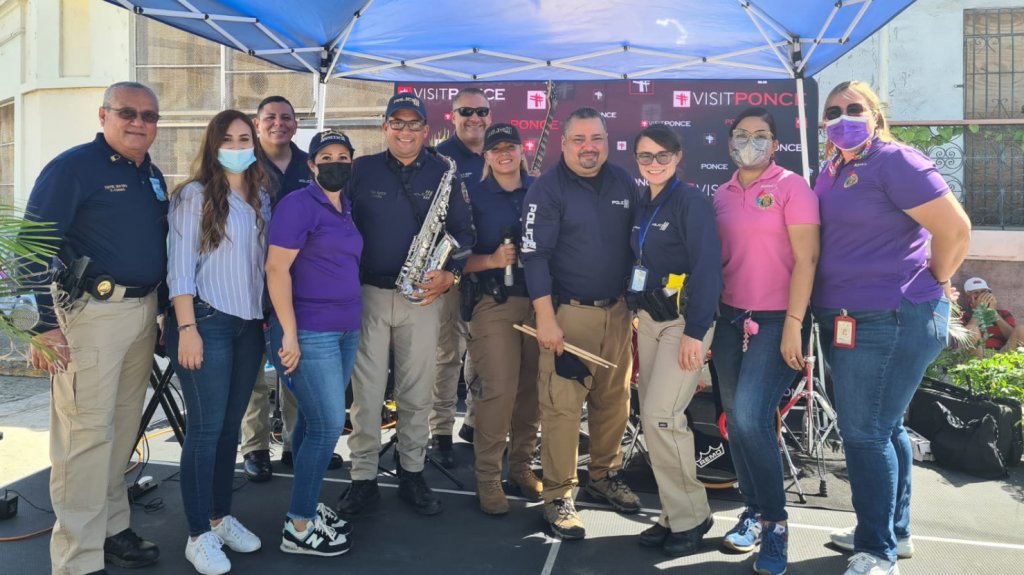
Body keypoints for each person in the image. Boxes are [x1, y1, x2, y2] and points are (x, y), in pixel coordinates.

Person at [813, 81, 971, 575]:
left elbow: (956, 230)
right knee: (886, 427)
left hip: (891, 317)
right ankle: (890, 534)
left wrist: (937, 280)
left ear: (877, 116)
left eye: (854, 109)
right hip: (850, 319)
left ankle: (877, 551)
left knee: (864, 435)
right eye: (833, 111)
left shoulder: (896, 161)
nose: (843, 117)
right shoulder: (835, 167)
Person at [25, 81, 167, 575]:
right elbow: (32, 248)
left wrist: (165, 309)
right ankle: (77, 559)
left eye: (150, 116)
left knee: (123, 429)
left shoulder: (150, 173)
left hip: (142, 312)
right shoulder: (71, 169)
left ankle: (110, 530)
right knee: (84, 438)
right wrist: (45, 326)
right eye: (128, 113)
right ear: (103, 114)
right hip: (90, 318)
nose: (140, 123)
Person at [338, 93, 475, 517]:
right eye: (396, 122)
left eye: (414, 124)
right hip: (368, 296)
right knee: (367, 393)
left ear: (426, 130)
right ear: (384, 127)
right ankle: (362, 477)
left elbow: (465, 235)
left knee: (417, 391)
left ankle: (412, 472)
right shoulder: (360, 170)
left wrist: (450, 274)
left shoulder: (444, 172)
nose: (405, 131)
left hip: (423, 298)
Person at [709, 108, 820, 574]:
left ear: (776, 144)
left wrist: (794, 322)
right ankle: (753, 512)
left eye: (760, 136)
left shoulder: (792, 187)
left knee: (754, 418)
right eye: (741, 135)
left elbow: (807, 258)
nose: (749, 142)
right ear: (729, 142)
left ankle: (776, 526)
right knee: (736, 421)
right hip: (732, 320)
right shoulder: (720, 194)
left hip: (779, 321)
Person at [521, 106, 639, 540]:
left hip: (618, 313)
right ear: (563, 143)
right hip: (568, 316)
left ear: (608, 141)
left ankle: (603, 475)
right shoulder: (547, 189)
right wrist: (546, 318)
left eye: (597, 139)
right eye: (580, 140)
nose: (589, 148)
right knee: (563, 409)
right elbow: (534, 256)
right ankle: (557, 496)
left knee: (614, 402)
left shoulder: (624, 181)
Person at [165, 109, 270, 575]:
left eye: (244, 137)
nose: (236, 144)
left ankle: (220, 516)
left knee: (230, 429)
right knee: (205, 431)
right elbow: (180, 268)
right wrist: (186, 328)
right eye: (226, 138)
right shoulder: (194, 195)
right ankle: (196, 534)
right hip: (206, 322)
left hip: (249, 326)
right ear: (213, 144)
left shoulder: (262, 195)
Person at [627, 125, 722, 557]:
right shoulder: (642, 201)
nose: (654, 163)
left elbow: (708, 271)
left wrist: (695, 334)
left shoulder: (691, 202)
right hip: (649, 321)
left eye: (662, 156)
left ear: (679, 156)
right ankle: (672, 512)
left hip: (684, 325)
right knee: (652, 420)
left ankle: (692, 516)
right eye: (645, 157)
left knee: (663, 418)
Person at [265, 130, 361, 556]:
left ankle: (305, 506)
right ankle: (299, 526)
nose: (336, 163)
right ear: (311, 164)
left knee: (311, 419)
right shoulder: (297, 205)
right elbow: (275, 270)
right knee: (326, 426)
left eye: (344, 156)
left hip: (345, 330)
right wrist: (288, 332)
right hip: (308, 331)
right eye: (327, 156)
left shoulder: (344, 206)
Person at [240, 95, 342, 482]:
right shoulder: (243, 164)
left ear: (296, 125)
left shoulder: (310, 165)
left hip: (302, 284)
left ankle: (297, 444)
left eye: (286, 117)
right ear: (257, 122)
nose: (278, 124)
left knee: (295, 367)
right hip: (250, 280)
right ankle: (255, 446)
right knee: (252, 369)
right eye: (270, 117)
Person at [462, 124, 542, 514]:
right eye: (496, 148)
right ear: (486, 156)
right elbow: (453, 259)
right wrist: (492, 260)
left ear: (522, 149)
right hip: (495, 302)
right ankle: (488, 475)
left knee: (532, 391)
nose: (504, 153)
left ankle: (522, 467)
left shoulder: (543, 189)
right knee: (500, 390)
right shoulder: (473, 196)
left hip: (542, 302)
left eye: (511, 146)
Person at [430, 87, 491, 463]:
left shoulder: (499, 152)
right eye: (466, 111)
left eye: (481, 111)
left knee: (484, 352)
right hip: (449, 269)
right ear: (452, 116)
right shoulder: (439, 159)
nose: (474, 118)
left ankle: (474, 420)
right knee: (447, 353)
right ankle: (440, 430)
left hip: (489, 269)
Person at [961, 277, 1023, 354]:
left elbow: (1013, 337)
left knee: (1022, 329)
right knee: (971, 328)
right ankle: (977, 365)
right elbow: (964, 339)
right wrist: (979, 311)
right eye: (976, 292)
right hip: (977, 355)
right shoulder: (963, 315)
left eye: (984, 292)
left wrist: (993, 312)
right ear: (968, 298)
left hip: (1002, 354)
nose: (981, 296)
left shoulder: (1003, 313)